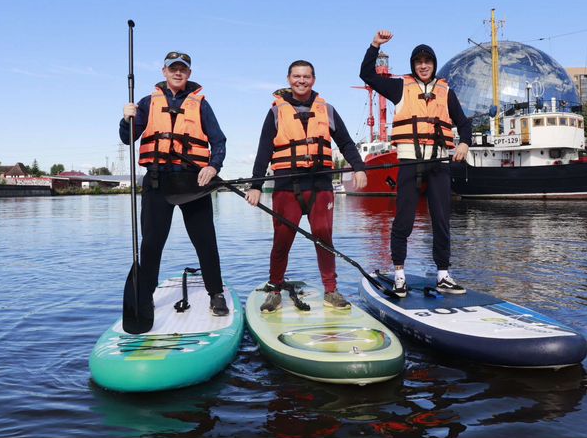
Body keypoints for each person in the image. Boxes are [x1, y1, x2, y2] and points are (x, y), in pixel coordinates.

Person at [246, 60, 367, 313]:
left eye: (306, 76)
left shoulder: (327, 110)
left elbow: (345, 142)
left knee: (324, 236)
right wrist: (256, 184)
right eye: (296, 76)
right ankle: (275, 289)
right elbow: (264, 150)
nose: (301, 81)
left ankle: (331, 291)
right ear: (289, 79)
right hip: (286, 185)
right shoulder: (276, 112)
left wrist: (358, 167)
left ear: (314, 79)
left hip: (320, 183)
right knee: (282, 240)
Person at [360, 30, 472, 297]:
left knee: (442, 220)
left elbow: (464, 123)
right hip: (410, 163)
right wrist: (375, 46)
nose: (423, 65)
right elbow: (367, 74)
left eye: (428, 61)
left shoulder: (446, 92)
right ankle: (399, 274)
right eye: (419, 61)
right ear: (413, 65)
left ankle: (443, 275)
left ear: (434, 64)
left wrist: (465, 143)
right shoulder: (400, 87)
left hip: (438, 164)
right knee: (404, 221)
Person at [120, 51, 229, 317]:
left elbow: (219, 141)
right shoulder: (147, 103)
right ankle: (144, 296)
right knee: (151, 244)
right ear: (164, 71)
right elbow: (128, 139)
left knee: (205, 241)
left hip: (193, 183)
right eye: (173, 68)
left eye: (182, 69)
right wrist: (126, 119)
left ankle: (215, 293)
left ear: (189, 73)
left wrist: (213, 166)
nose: (177, 73)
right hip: (158, 183)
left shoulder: (201, 104)